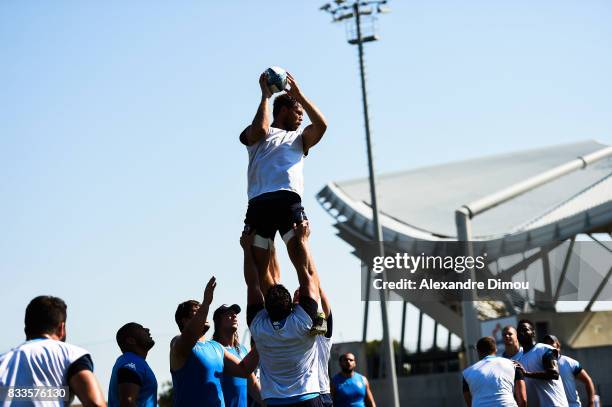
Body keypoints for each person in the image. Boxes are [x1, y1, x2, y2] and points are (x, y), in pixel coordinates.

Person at [239, 70, 327, 297]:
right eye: (298, 112)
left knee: (301, 259)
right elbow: (258, 131)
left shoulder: (300, 138)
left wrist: (300, 95)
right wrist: (265, 96)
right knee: (261, 269)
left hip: (288, 199)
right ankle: (275, 311)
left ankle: (312, 312)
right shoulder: (259, 132)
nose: (301, 117)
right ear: (284, 111)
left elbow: (322, 126)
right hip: (259, 203)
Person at [242, 221, 323, 406]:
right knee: (279, 276)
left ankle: (266, 243)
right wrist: (302, 240)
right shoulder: (302, 322)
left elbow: (254, 285)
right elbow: (307, 273)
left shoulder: (261, 327)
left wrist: (249, 250)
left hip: (275, 401)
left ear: (267, 309)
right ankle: (267, 243)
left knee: (270, 277)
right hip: (307, 398)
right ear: (292, 307)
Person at [0, 295, 106, 407]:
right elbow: (95, 403)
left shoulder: (3, 360)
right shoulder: (72, 355)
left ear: (26, 329)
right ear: (61, 328)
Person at [170, 277, 259, 407]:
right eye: (197, 311)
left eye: (203, 311)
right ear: (184, 321)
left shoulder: (216, 347)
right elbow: (189, 335)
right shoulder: (177, 343)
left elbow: (244, 369)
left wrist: (264, 339)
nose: (204, 314)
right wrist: (206, 303)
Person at [211, 304, 262, 407]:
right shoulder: (214, 350)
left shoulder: (242, 350)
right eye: (229, 314)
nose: (234, 316)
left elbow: (253, 384)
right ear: (218, 321)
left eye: (235, 314)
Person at [293, 286, 333, 406]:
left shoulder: (321, 329)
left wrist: (317, 287)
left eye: (301, 294)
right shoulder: (293, 328)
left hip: (322, 392)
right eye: (295, 294)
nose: (298, 296)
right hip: (301, 394)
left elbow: (327, 311)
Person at [515, 320, 568, 407]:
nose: (521, 333)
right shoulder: (519, 360)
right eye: (519, 331)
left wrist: (527, 374)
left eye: (525, 330)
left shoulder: (544, 349)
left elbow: (554, 374)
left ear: (533, 333)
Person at [462, 336, 527, 407]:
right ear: (496, 349)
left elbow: (469, 403)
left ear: (478, 351)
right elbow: (522, 399)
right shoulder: (513, 365)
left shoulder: (467, 373)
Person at [108, 323, 157, 407]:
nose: (147, 329)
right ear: (131, 340)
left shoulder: (133, 361)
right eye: (141, 328)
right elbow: (127, 402)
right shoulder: (131, 361)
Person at [543, 335, 597, 407]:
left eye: (551, 342)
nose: (548, 345)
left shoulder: (570, 362)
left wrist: (591, 403)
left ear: (558, 345)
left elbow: (588, 380)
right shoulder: (539, 365)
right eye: (546, 344)